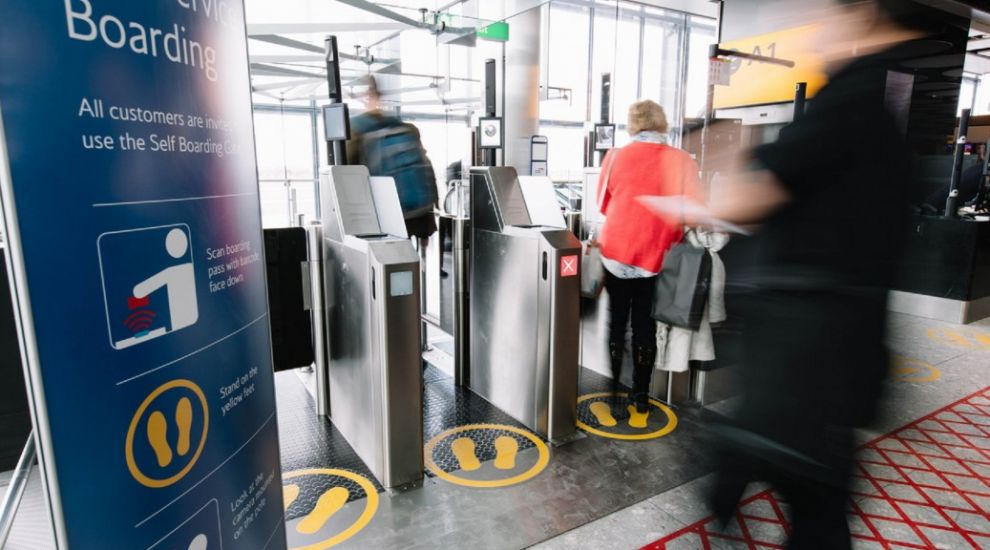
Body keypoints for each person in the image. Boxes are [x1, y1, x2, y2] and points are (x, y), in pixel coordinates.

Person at [691, 1, 924, 547]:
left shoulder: (846, 100)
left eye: (827, 19)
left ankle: (729, 477)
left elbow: (752, 198)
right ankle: (731, 475)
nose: (817, 35)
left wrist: (702, 197)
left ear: (861, 15)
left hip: (806, 343)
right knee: (819, 492)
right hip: (845, 341)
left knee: (804, 480)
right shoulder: (885, 114)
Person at [596, 100, 702, 413]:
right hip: (656, 257)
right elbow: (694, 209)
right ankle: (640, 396)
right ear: (661, 122)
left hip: (616, 252)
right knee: (644, 326)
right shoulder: (681, 160)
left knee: (616, 323)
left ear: (633, 123)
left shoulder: (614, 157)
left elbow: (604, 205)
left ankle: (614, 393)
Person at [346, 77, 438, 239]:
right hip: (420, 210)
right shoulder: (406, 128)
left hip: (387, 212)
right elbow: (426, 164)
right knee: (415, 255)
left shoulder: (356, 129)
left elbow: (347, 174)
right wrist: (433, 201)